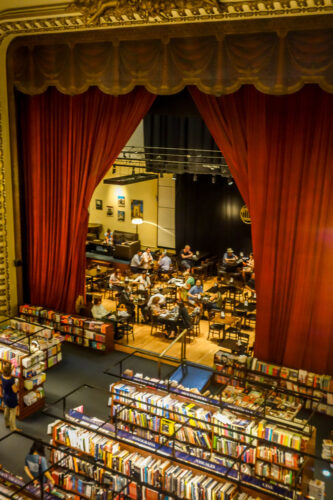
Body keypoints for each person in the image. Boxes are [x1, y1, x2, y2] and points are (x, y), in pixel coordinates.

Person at [1, 363, 20, 432]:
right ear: (10, 372)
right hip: (12, 397)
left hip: (5, 396)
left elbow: (7, 372)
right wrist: (18, 387)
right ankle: (13, 428)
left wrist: (11, 367)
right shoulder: (11, 380)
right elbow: (15, 391)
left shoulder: (2, 376)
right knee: (12, 413)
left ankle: (7, 423)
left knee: (6, 409)